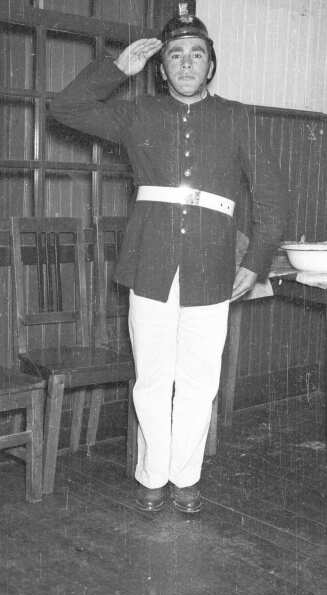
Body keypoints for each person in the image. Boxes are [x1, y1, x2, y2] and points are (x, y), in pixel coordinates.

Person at [49, 6, 289, 514]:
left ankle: (186, 479)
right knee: (153, 377)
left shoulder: (237, 116)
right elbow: (66, 108)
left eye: (196, 55)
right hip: (150, 263)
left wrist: (257, 260)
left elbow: (272, 198)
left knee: (199, 380)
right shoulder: (138, 113)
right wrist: (116, 70)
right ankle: (153, 475)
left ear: (210, 64)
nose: (185, 63)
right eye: (175, 55)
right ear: (161, 68)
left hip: (214, 266)